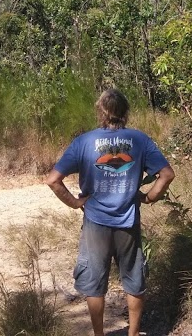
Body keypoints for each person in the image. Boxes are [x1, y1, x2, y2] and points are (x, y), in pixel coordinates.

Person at [46, 88, 175, 336]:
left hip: (95, 223)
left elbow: (53, 180)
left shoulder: (83, 142)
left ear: (101, 111)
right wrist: (148, 198)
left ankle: (98, 334)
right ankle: (134, 333)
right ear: (125, 112)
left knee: (95, 283)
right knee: (133, 279)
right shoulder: (140, 140)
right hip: (129, 221)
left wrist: (75, 202)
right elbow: (167, 174)